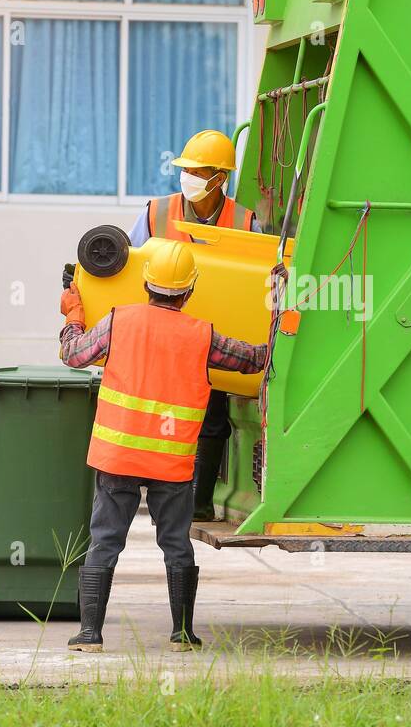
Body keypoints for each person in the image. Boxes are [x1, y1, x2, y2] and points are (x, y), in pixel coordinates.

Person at [58, 240, 269, 653]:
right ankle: (182, 634)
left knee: (105, 541)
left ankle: (90, 634)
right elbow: (253, 359)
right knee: (176, 544)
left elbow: (73, 354)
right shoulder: (202, 335)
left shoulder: (120, 321)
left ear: (145, 282)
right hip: (170, 462)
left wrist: (73, 313)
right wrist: (281, 318)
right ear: (189, 291)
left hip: (118, 456)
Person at [128, 128, 262, 522]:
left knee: (212, 419)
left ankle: (197, 502)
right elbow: (131, 261)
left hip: (210, 339)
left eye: (199, 172)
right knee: (154, 416)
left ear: (220, 179)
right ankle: (156, 498)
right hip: (161, 336)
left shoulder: (243, 221)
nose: (189, 178)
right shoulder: (156, 212)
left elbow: (258, 280)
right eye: (187, 170)